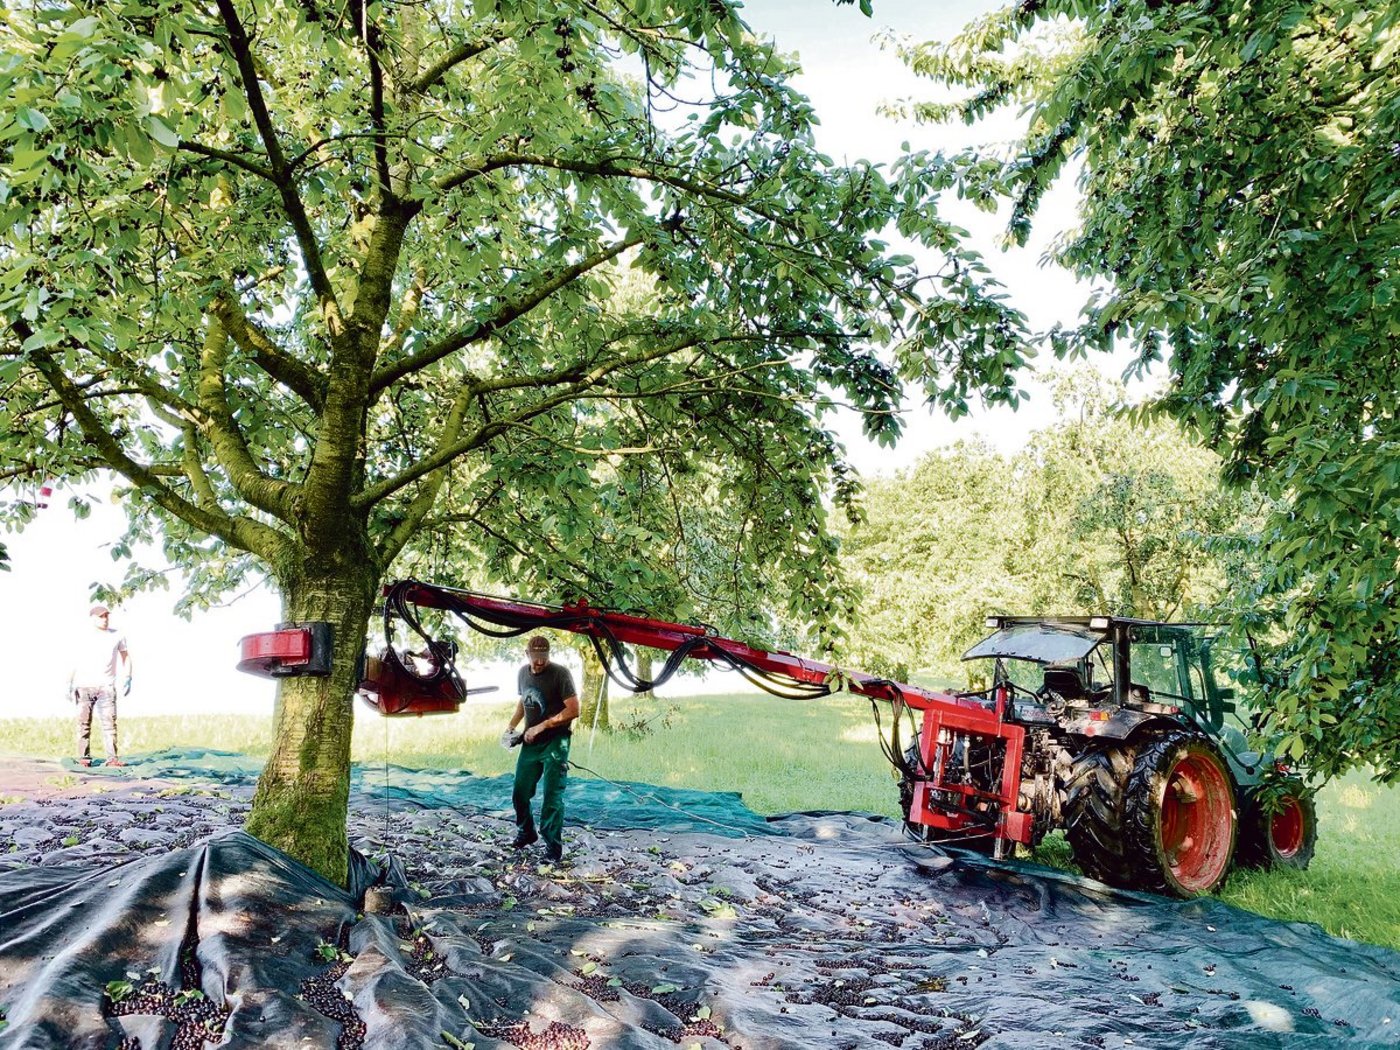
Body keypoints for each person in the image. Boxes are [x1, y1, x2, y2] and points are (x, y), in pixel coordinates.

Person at [507, 634, 579, 863]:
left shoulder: (560, 674)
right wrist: (511, 727)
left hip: (556, 741)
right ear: (527, 654)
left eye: (544, 657)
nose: (539, 662)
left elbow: (574, 709)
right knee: (520, 792)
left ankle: (552, 847)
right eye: (535, 657)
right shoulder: (522, 673)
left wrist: (543, 726)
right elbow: (523, 701)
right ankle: (527, 832)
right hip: (530, 743)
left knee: (552, 796)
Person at [67, 604, 131, 767]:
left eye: (106, 616)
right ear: (93, 619)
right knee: (83, 724)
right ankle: (84, 758)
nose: (105, 619)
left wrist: (128, 676)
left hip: (106, 687)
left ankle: (112, 758)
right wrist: (69, 682)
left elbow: (126, 656)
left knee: (109, 724)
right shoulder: (83, 636)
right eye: (101, 617)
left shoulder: (117, 635)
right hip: (84, 686)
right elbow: (73, 660)